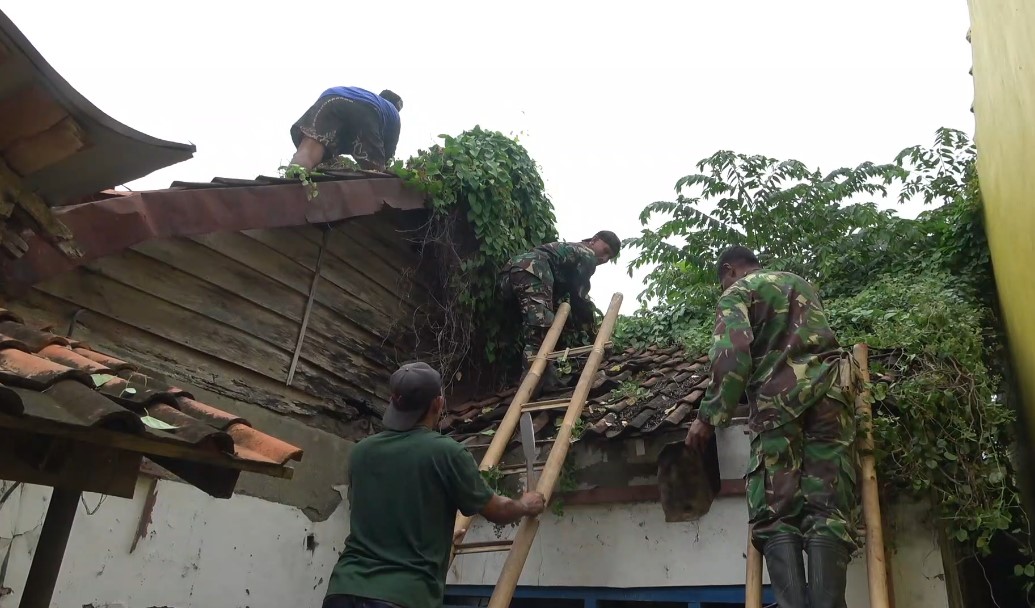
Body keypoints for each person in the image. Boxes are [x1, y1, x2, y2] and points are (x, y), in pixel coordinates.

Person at [684, 246, 857, 608]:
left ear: (730, 271)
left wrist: (708, 418)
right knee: (827, 507)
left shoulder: (738, 292)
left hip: (779, 404)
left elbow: (731, 355)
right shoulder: (800, 283)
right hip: (831, 399)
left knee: (776, 512)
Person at [323, 362, 545, 608]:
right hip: (402, 597)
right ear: (437, 404)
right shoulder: (446, 453)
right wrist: (525, 504)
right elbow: (496, 510)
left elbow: (381, 517)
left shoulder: (361, 452)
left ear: (394, 401)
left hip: (342, 591)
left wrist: (438, 539)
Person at [498, 231, 621, 392]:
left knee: (546, 328)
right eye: (605, 251)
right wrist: (594, 335)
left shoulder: (569, 251)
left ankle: (544, 378)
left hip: (509, 273)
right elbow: (580, 301)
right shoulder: (587, 254)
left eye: (609, 258)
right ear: (593, 240)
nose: (604, 259)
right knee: (542, 331)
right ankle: (530, 388)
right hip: (533, 270)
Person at [290, 86, 403, 172]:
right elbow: (388, 155)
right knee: (376, 172)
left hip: (331, 98)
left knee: (307, 153)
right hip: (366, 111)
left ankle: (294, 177)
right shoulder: (393, 112)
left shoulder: (366, 94)